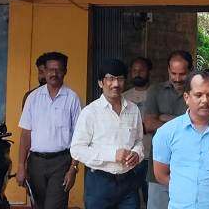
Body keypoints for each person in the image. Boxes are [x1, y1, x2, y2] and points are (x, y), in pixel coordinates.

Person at [152, 71, 209, 209]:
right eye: (198, 95)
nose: (205, 100)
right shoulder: (167, 132)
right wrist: (185, 188)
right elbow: (160, 174)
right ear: (186, 97)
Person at [71, 59, 145, 209]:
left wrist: (137, 154)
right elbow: (77, 149)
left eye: (120, 79)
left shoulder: (133, 109)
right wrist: (112, 155)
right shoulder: (90, 112)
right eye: (110, 79)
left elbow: (139, 141)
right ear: (101, 83)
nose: (116, 84)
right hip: (100, 183)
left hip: (128, 182)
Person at [17, 52, 82, 209]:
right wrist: (21, 166)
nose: (54, 73)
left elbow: (79, 136)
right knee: (37, 205)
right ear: (44, 71)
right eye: (51, 69)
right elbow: (25, 134)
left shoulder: (72, 98)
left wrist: (73, 168)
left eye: (58, 69)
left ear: (65, 71)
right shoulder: (33, 98)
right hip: (36, 163)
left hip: (61, 163)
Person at [144, 50, 193, 209]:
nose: (177, 79)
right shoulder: (155, 91)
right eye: (173, 73)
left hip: (189, 168)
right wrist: (182, 122)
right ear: (168, 70)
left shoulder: (197, 94)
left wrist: (164, 118)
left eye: (182, 74)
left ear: (191, 70)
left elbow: (197, 125)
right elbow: (149, 124)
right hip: (158, 167)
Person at [124, 57, 154, 208]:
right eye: (134, 70)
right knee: (130, 200)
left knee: (150, 199)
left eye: (141, 70)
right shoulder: (123, 97)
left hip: (151, 156)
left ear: (149, 71)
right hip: (129, 158)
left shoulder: (156, 94)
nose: (138, 73)